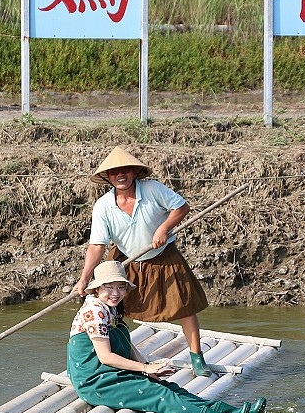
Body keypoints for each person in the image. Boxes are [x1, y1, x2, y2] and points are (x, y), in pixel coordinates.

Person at [67, 260, 265, 413]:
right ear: (96, 289)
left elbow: (126, 343)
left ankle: (227, 410)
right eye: (108, 287)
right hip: (96, 381)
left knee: (171, 387)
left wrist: (148, 369)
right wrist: (144, 368)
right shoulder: (95, 311)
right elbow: (105, 356)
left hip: (111, 373)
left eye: (120, 287)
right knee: (159, 393)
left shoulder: (110, 307)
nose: (115, 293)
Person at [74, 146, 214, 377]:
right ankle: (115, 356)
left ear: (134, 173)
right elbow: (97, 245)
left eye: (125, 170)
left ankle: (197, 356)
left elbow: (182, 206)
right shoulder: (103, 206)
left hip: (163, 256)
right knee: (112, 306)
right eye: (114, 172)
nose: (120, 175)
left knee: (184, 306)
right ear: (107, 177)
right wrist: (84, 278)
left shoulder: (152, 189)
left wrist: (164, 228)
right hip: (127, 261)